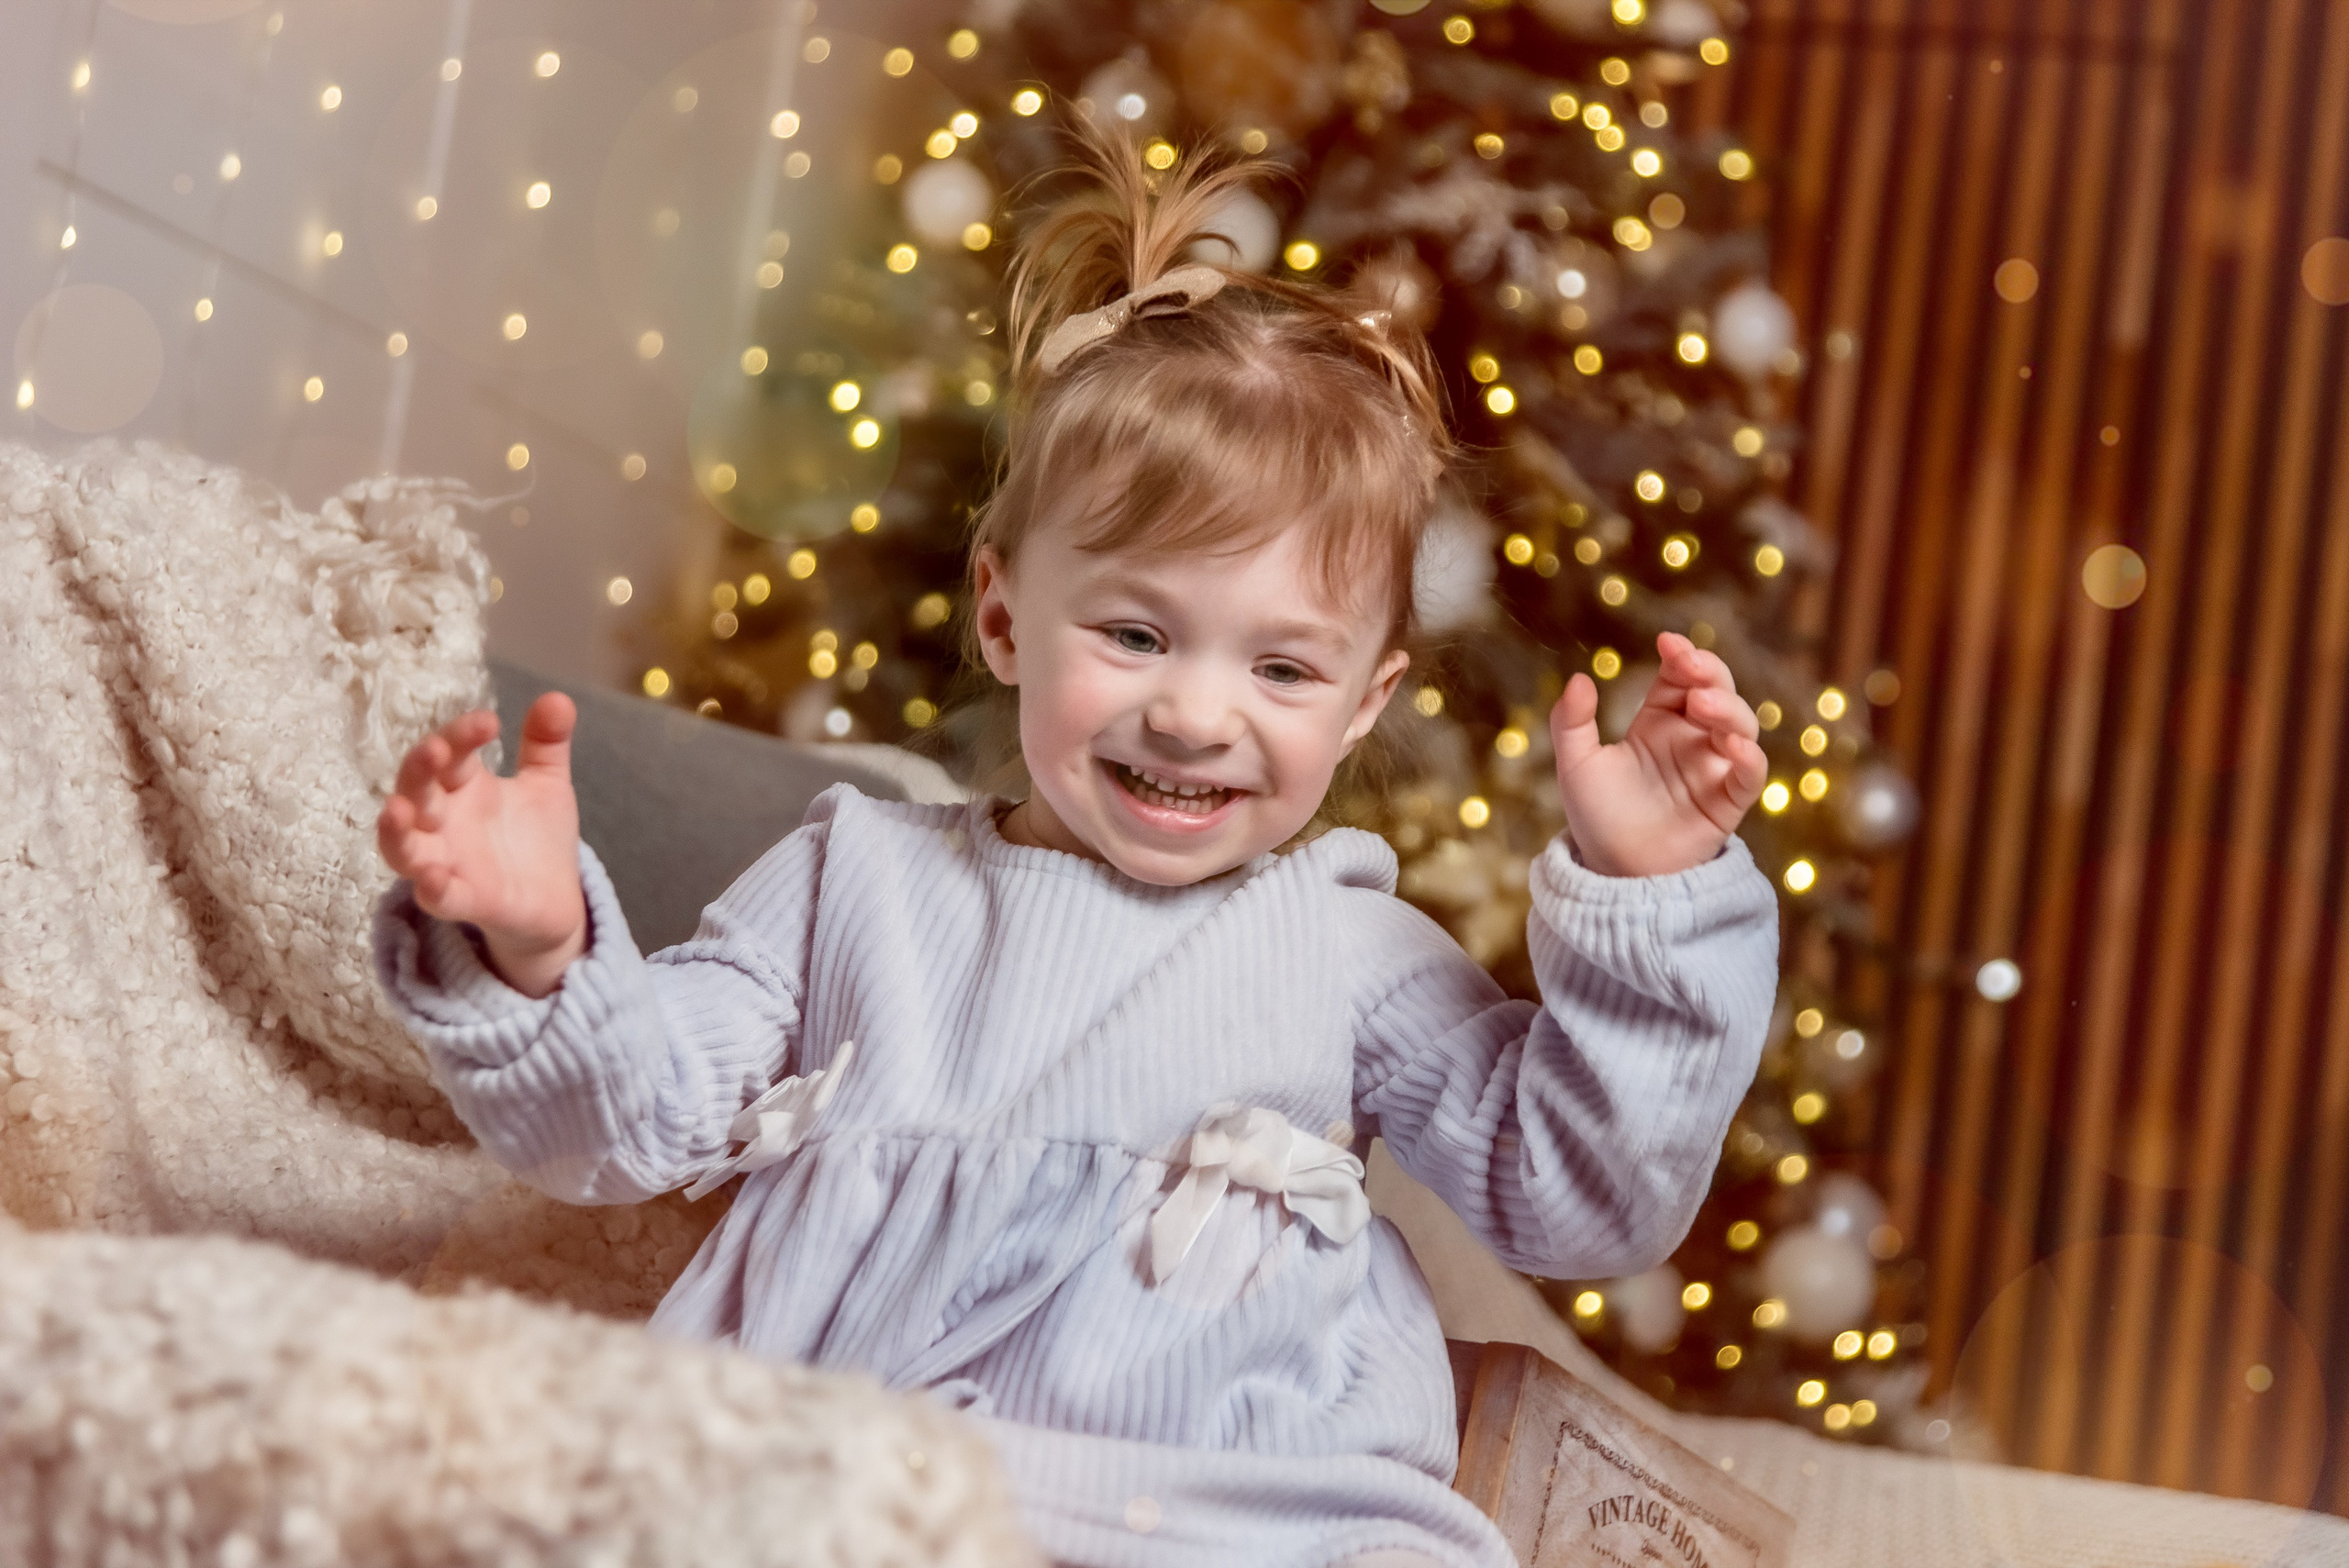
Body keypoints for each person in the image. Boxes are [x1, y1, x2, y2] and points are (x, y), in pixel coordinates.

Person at [373, 128, 1777, 1568]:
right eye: (1133, 633)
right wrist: (541, 951)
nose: (1193, 712)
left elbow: (1582, 1200)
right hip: (875, 1491)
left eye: (1283, 671)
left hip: (1250, 1522)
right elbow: (620, 1133)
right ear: (1002, 617)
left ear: (1367, 706)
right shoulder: (856, 878)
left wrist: (1651, 891)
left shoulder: (1349, 947)